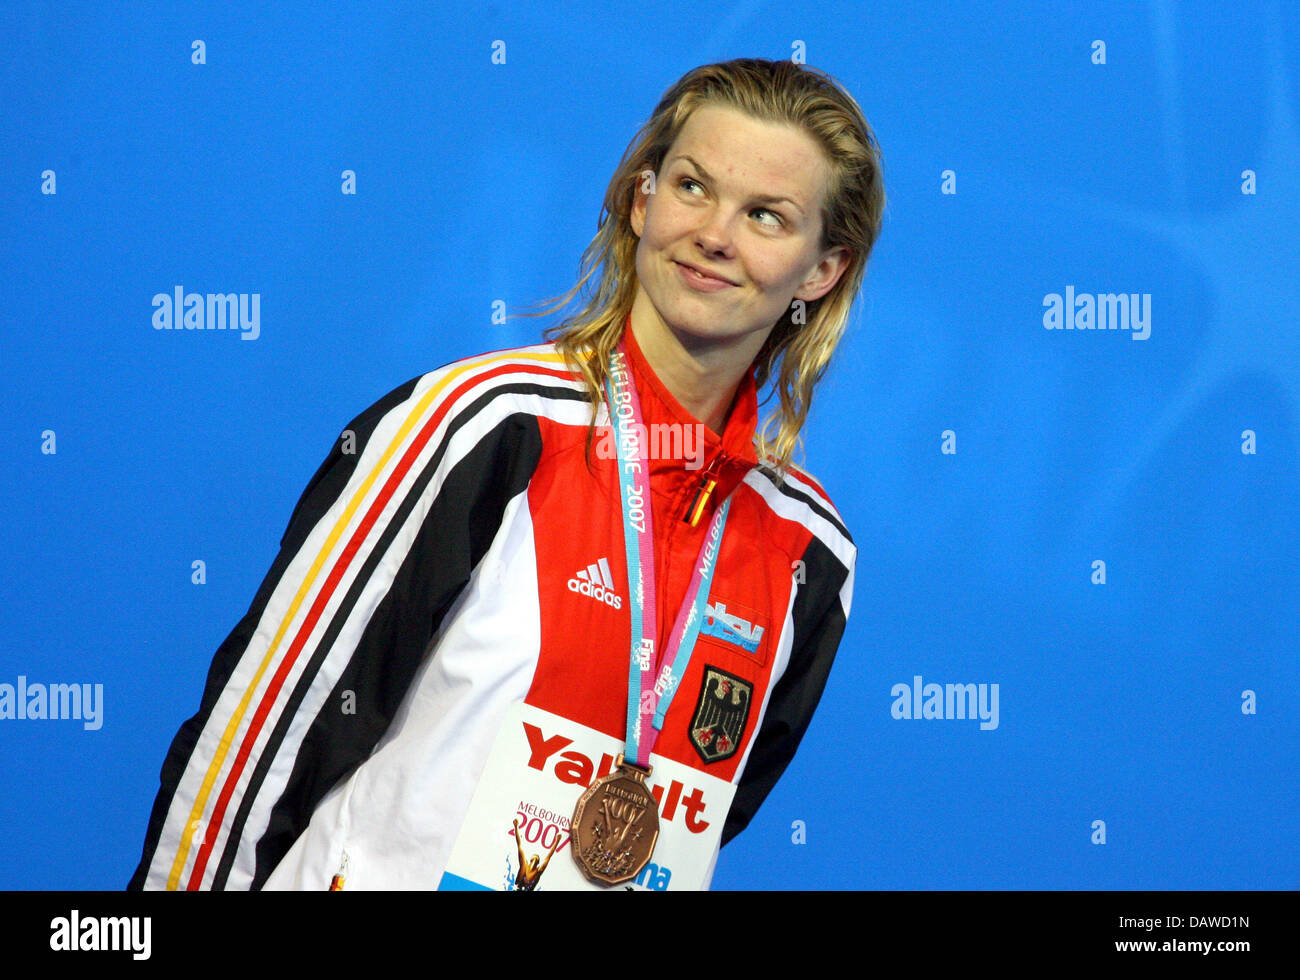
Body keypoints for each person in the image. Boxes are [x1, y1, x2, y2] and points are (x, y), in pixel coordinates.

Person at [128, 57, 885, 891]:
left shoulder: (808, 556)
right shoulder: (480, 426)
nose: (714, 233)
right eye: (693, 187)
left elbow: (708, 821)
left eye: (767, 216)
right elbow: (259, 742)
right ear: (642, 202)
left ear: (823, 270)